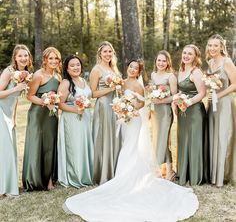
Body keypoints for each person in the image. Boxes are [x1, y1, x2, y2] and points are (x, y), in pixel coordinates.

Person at [63, 59, 199, 222]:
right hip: (123, 119)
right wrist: (121, 109)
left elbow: (142, 103)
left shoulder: (138, 85)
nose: (133, 69)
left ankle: (128, 177)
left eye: (136, 68)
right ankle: (121, 174)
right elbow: (117, 98)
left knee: (131, 146)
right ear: (127, 68)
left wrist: (131, 110)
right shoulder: (121, 82)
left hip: (133, 119)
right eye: (131, 67)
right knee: (124, 145)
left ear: (139, 71)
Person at [22, 47, 62, 191]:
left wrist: (54, 102)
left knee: (50, 146)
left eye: (56, 58)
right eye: (50, 58)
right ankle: (33, 179)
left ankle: (50, 181)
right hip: (37, 114)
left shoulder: (58, 77)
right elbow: (30, 95)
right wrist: (45, 101)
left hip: (51, 116)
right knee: (37, 145)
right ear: (45, 59)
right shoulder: (38, 75)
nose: (53, 61)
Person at [0, 44, 32, 196]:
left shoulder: (25, 73)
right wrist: (16, 88)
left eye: (25, 55)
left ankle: (8, 185)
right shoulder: (9, 71)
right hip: (0, 111)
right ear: (15, 57)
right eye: (20, 56)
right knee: (4, 150)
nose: (23, 58)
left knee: (9, 149)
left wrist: (13, 118)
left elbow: (16, 100)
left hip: (9, 115)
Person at [57, 55, 94, 188]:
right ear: (67, 69)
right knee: (75, 147)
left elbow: (88, 97)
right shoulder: (66, 83)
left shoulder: (83, 80)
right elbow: (60, 104)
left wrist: (88, 104)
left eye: (77, 64)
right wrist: (75, 110)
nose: (75, 67)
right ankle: (75, 176)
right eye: (72, 65)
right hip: (72, 119)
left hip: (85, 119)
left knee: (83, 145)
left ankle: (85, 174)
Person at [173, 44, 206, 186]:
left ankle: (195, 175)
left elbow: (202, 93)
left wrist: (188, 102)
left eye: (190, 54)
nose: (186, 56)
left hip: (195, 112)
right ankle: (183, 173)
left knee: (194, 141)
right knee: (184, 140)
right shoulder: (180, 70)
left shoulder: (196, 72)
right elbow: (179, 91)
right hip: (182, 111)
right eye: (185, 53)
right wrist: (178, 101)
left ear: (195, 57)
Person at [90, 41, 122, 185]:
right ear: (100, 54)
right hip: (103, 106)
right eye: (105, 52)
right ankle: (102, 172)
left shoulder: (114, 69)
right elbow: (93, 93)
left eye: (110, 51)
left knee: (115, 136)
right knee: (104, 137)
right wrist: (111, 89)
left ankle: (115, 169)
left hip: (115, 105)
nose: (108, 54)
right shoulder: (96, 70)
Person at [206, 34, 236, 187]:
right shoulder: (210, 62)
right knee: (214, 136)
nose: (212, 48)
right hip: (212, 103)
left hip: (224, 103)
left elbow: (234, 85)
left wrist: (218, 95)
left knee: (223, 136)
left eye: (215, 45)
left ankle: (222, 176)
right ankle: (213, 174)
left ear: (221, 47)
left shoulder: (227, 62)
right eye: (210, 45)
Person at [150, 50, 177, 180]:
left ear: (168, 62)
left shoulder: (170, 76)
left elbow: (175, 96)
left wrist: (161, 100)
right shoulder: (153, 75)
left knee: (163, 139)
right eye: (159, 60)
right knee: (159, 140)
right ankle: (168, 171)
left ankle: (163, 170)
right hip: (155, 112)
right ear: (156, 61)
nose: (161, 63)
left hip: (166, 112)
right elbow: (152, 92)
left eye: (164, 61)